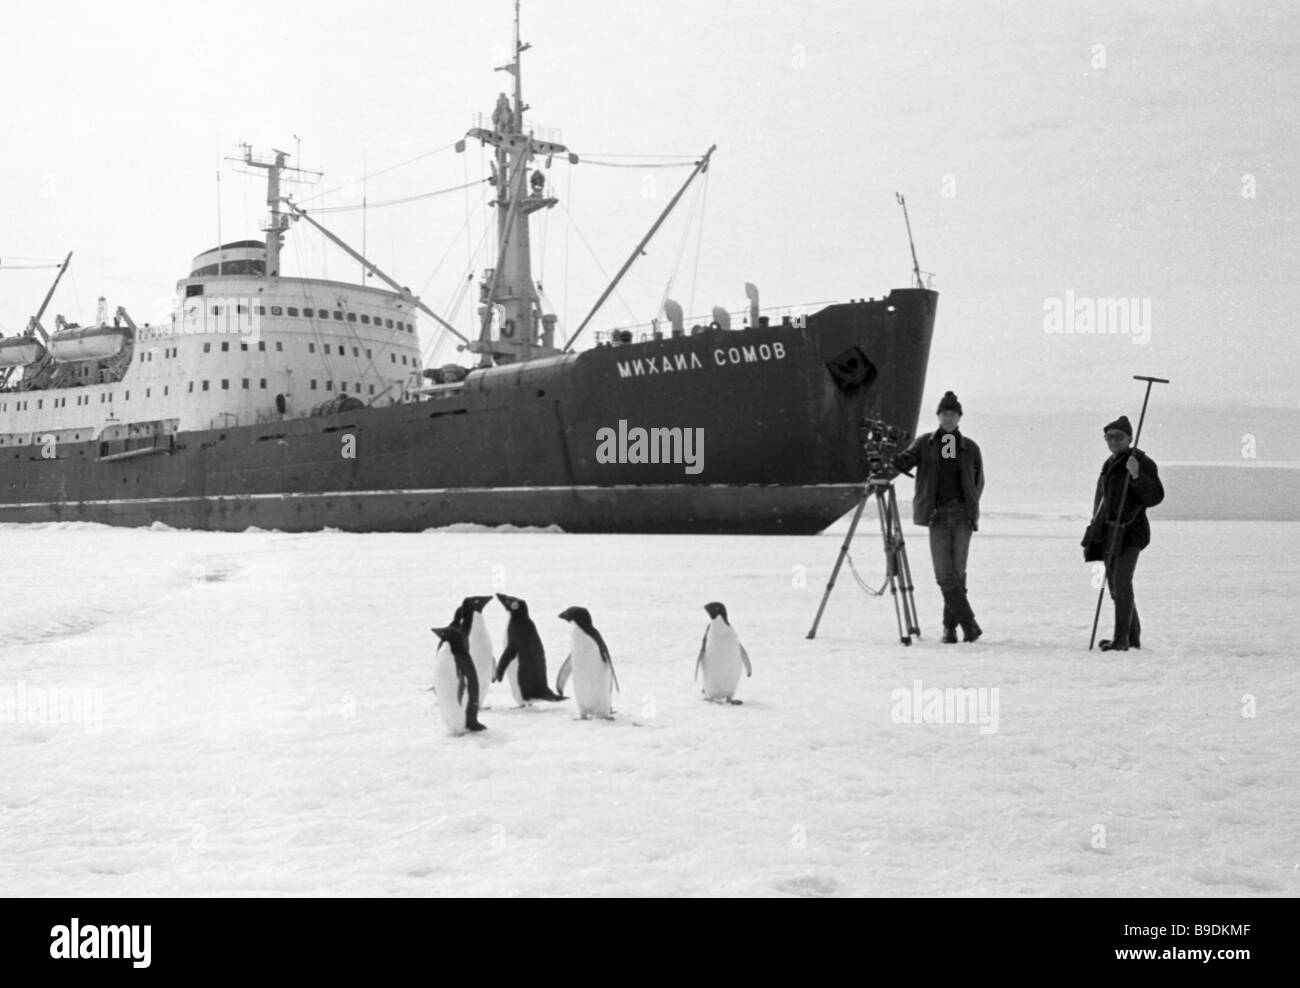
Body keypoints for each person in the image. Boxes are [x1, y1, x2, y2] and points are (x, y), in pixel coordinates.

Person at [891, 391, 984, 643]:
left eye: (953, 414)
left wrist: (970, 507)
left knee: (957, 572)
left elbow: (978, 483)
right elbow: (907, 460)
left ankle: (950, 629)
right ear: (939, 416)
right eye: (945, 413)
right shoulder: (925, 443)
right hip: (938, 516)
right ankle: (969, 624)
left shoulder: (970, 448)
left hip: (962, 515)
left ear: (959, 417)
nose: (949, 418)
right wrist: (897, 458)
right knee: (946, 574)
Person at [1090, 415, 1164, 651]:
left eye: (1118, 437)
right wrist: (1094, 526)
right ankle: (1132, 637)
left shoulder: (1141, 461)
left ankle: (1121, 640)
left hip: (1131, 532)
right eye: (1109, 437)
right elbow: (1102, 499)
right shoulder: (1109, 463)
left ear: (1130, 438)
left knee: (1122, 583)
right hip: (1110, 532)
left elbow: (1154, 497)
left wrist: (1136, 475)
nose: (1113, 441)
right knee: (1115, 586)